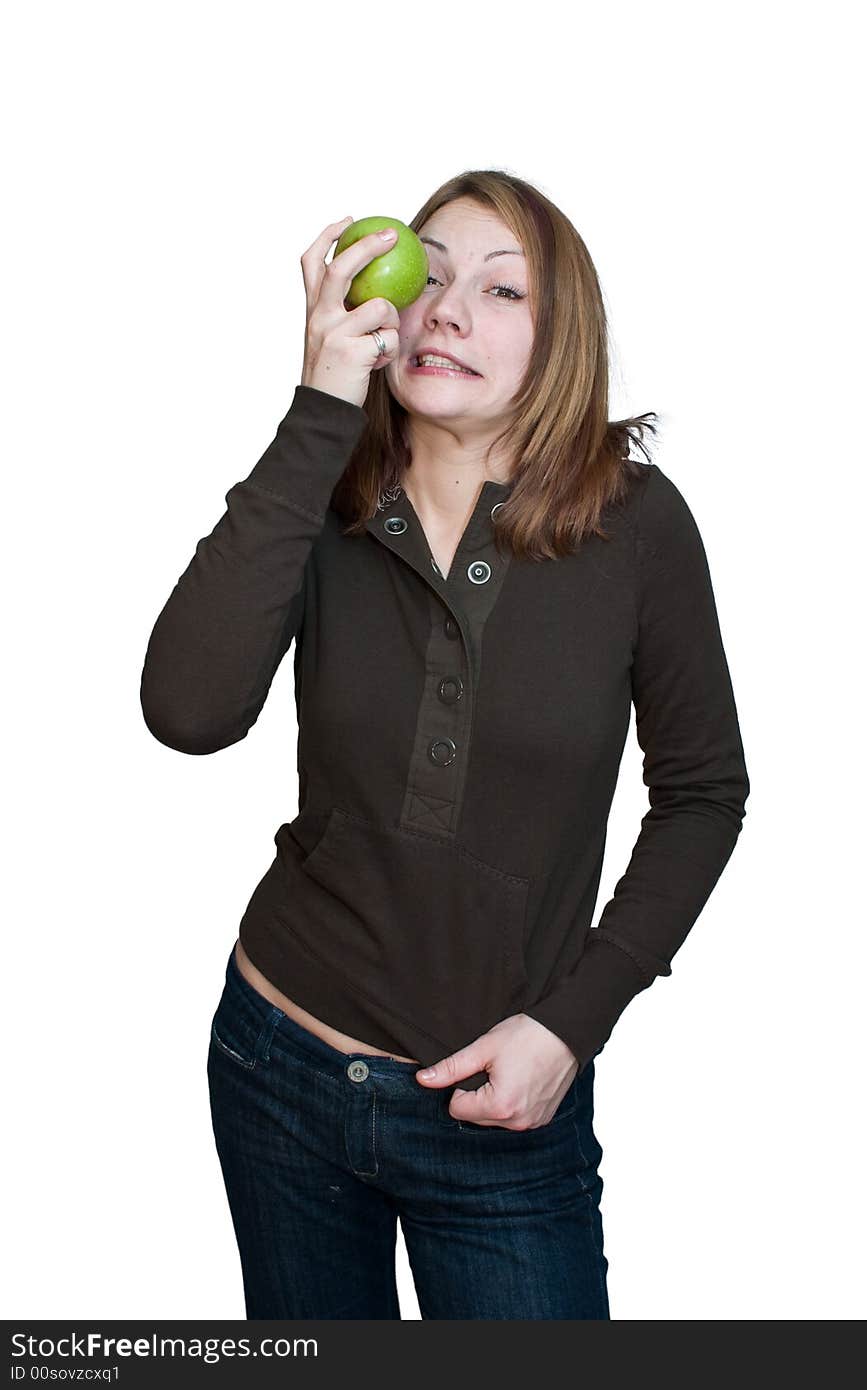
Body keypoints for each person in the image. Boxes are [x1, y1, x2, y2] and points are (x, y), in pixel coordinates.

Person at [139, 169, 750, 1320]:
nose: (448, 310)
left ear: (560, 340)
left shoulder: (638, 527)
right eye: (429, 273)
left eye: (502, 289)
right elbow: (187, 711)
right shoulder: (323, 494)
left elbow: (704, 794)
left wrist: (573, 1025)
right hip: (280, 1063)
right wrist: (319, 406)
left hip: (502, 1109)